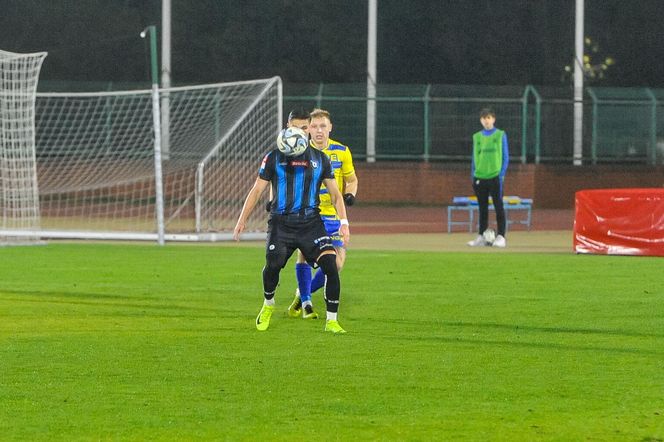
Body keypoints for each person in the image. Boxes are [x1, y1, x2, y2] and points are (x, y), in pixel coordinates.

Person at [233, 121, 350, 334]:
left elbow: (335, 194)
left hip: (311, 224)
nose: (291, 158)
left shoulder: (320, 159)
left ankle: (332, 321)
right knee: (273, 265)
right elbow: (257, 190)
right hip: (281, 223)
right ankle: (268, 304)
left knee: (331, 266)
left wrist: (344, 222)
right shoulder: (273, 157)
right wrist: (242, 219)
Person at [287, 108, 358, 319]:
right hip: (308, 213)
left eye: (323, 126)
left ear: (330, 128)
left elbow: (352, 179)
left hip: (333, 213)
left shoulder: (342, 151)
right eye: (315, 126)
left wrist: (350, 194)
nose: (318, 131)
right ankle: (307, 303)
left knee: (336, 263)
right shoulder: (299, 150)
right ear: (309, 129)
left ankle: (302, 295)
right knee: (304, 257)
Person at [467, 107, 509, 248]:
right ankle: (481, 236)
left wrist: (501, 174)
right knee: (482, 208)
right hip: (480, 176)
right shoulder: (477, 137)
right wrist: (473, 175)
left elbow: (505, 156)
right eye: (484, 118)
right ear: (481, 120)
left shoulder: (500, 135)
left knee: (498, 206)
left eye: (489, 118)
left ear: (493, 119)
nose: (486, 121)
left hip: (495, 176)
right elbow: (474, 157)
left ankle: (501, 236)